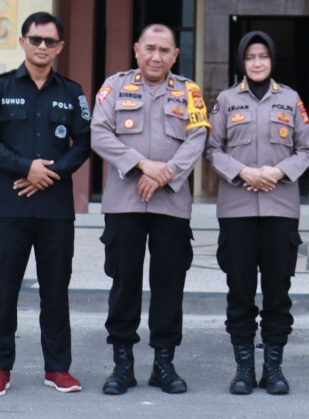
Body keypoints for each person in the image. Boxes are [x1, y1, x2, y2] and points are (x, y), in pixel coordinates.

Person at [0, 11, 92, 397]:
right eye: (35, 39)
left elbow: (85, 143)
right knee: (4, 290)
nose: (42, 46)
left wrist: (50, 172)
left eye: (50, 41)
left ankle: (58, 368)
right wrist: (26, 167)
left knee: (55, 290)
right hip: (10, 206)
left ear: (60, 47)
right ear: (23, 42)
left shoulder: (72, 92)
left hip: (55, 207)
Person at [89, 23, 210, 395]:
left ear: (175, 55)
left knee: (169, 284)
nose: (156, 56)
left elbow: (198, 137)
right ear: (136, 50)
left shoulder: (189, 92)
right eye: (150, 48)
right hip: (124, 202)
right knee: (124, 282)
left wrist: (165, 173)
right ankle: (122, 364)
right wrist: (142, 165)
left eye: (164, 50)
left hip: (171, 203)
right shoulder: (114, 86)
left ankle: (164, 364)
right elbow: (99, 133)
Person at [206, 31, 309, 395]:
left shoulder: (291, 99)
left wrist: (278, 172)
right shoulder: (226, 100)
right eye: (250, 57)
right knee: (239, 291)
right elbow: (212, 148)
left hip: (280, 209)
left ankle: (273, 368)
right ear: (242, 61)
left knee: (277, 292)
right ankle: (243, 369)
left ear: (272, 61)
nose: (257, 63)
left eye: (263, 56)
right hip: (236, 210)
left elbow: (306, 149)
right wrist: (243, 172)